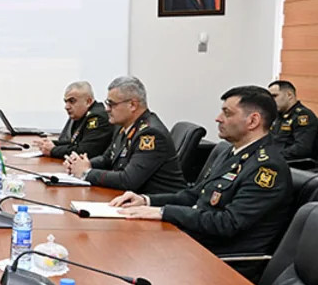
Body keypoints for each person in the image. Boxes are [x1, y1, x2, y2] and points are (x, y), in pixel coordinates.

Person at [110, 87, 293, 263]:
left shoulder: (267, 168)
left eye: (227, 113)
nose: (218, 118)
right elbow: (193, 195)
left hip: (220, 259)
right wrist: (146, 201)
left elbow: (228, 223)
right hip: (195, 241)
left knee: (130, 253)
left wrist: (164, 212)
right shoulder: (231, 152)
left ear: (253, 121)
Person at [65, 76, 187, 193]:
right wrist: (83, 164)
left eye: (112, 104)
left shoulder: (150, 134)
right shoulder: (124, 126)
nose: (107, 109)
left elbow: (128, 180)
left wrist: (86, 172)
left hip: (156, 203)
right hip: (131, 199)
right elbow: (107, 159)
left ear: (132, 105)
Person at [34, 80, 115, 158]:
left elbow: (85, 151)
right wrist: (52, 143)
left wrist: (53, 150)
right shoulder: (82, 114)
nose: (66, 107)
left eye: (72, 101)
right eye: (66, 102)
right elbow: (75, 142)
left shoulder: (97, 117)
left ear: (88, 101)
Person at [268, 80, 318, 161]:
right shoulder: (278, 115)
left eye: (274, 96)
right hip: (275, 158)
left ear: (289, 95)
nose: (271, 101)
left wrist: (273, 156)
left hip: (291, 163)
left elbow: (301, 149)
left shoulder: (302, 116)